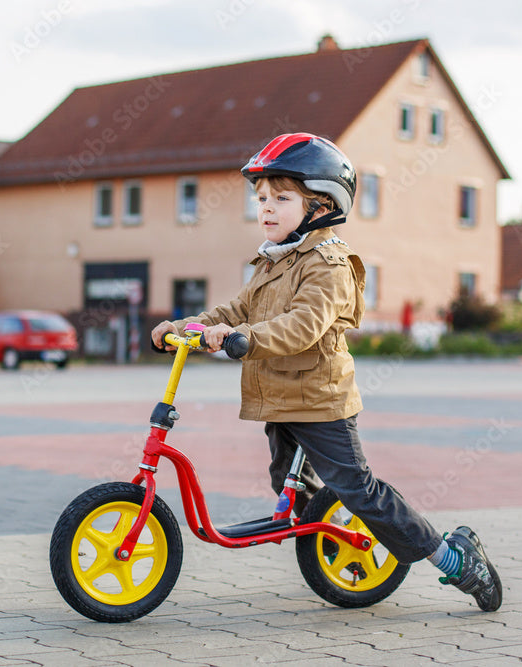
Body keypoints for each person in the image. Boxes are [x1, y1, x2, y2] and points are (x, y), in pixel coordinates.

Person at [151, 133, 502, 612]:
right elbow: (234, 310)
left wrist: (244, 338)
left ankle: (455, 559)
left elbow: (304, 325)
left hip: (321, 401)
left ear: (321, 205)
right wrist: (185, 327)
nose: (266, 207)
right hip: (280, 397)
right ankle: (332, 554)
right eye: (261, 198)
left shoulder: (330, 264)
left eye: (281, 198)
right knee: (290, 485)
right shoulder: (274, 260)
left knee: (358, 490)